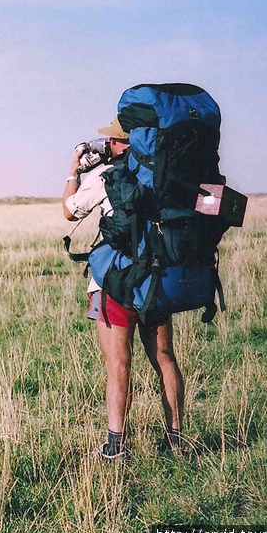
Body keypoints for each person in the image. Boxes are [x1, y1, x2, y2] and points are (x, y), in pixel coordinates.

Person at [62, 116, 184, 460]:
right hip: (157, 278)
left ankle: (116, 445)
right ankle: (177, 440)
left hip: (113, 283)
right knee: (164, 357)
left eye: (112, 140)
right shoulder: (164, 175)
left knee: (118, 363)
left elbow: (70, 212)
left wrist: (75, 170)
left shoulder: (106, 177)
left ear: (120, 143)